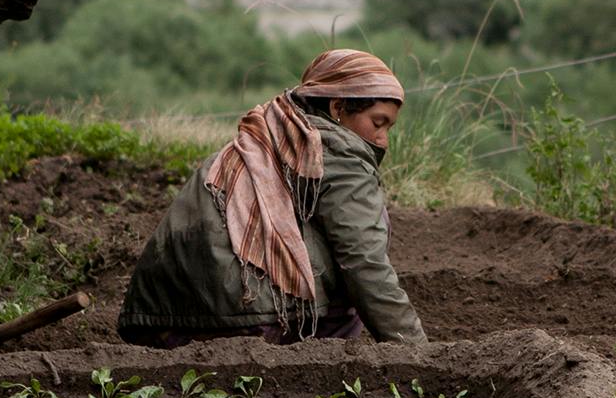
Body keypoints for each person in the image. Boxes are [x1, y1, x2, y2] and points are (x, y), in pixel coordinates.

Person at [117, 48, 427, 346]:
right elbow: (364, 261)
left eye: (389, 127)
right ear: (337, 108)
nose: (382, 139)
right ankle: (319, 358)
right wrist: (415, 352)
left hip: (159, 324)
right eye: (377, 122)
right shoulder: (338, 154)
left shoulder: (267, 132)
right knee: (357, 275)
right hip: (248, 321)